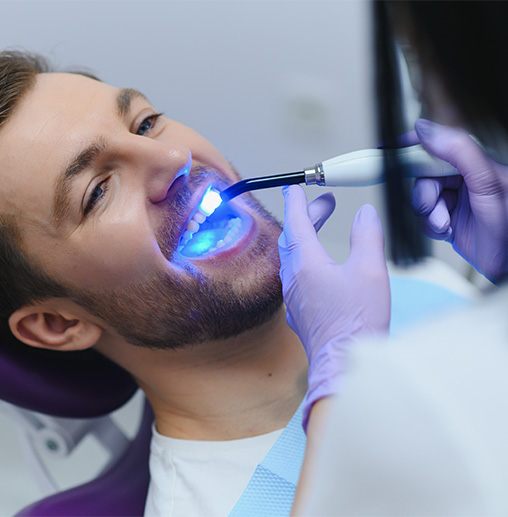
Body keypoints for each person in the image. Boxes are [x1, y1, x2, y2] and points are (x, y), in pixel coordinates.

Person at [279, 2, 508, 515]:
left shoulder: (415, 398)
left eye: (420, 60)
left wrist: (341, 384)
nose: (167, 163)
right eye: (98, 191)